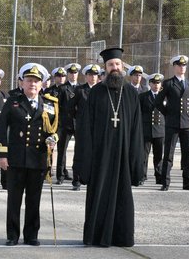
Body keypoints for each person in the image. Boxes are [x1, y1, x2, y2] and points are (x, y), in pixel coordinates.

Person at [77, 48, 145, 247]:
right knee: (99, 194)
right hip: (101, 156)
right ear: (104, 69)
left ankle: (121, 237)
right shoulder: (96, 93)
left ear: (122, 67)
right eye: (110, 65)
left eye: (117, 64)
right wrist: (85, 161)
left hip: (124, 155)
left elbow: (137, 130)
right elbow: (85, 129)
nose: (114, 68)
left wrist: (136, 162)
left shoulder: (132, 94)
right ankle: (97, 236)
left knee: (123, 197)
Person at [0, 63, 57, 247]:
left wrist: (54, 138)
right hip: (15, 158)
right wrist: (1, 155)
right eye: (29, 80)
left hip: (37, 158)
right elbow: (1, 129)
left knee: (33, 200)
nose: (32, 84)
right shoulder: (13, 102)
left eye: (36, 81)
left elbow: (53, 129)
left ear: (41, 84)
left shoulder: (49, 104)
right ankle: (12, 235)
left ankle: (31, 235)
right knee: (14, 200)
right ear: (22, 83)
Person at [155, 55, 189, 191]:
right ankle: (165, 182)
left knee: (187, 155)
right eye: (179, 65)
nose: (182, 67)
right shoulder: (168, 83)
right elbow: (158, 102)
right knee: (168, 154)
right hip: (172, 123)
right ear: (174, 67)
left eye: (184, 65)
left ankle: (187, 182)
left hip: (187, 124)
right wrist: (168, 113)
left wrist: (188, 113)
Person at [67, 64, 100, 190]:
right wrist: (79, 119)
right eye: (90, 75)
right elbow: (70, 107)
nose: (93, 77)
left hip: (97, 128)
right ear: (86, 76)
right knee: (80, 153)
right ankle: (77, 180)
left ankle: (93, 178)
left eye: (95, 75)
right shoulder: (80, 90)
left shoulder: (101, 90)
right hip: (83, 128)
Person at [139, 74, 165, 185]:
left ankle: (159, 176)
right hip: (146, 130)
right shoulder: (143, 96)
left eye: (158, 83)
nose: (156, 85)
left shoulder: (165, 96)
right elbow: (138, 113)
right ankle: (142, 176)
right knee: (144, 156)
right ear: (149, 84)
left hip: (160, 130)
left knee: (159, 156)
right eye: (153, 83)